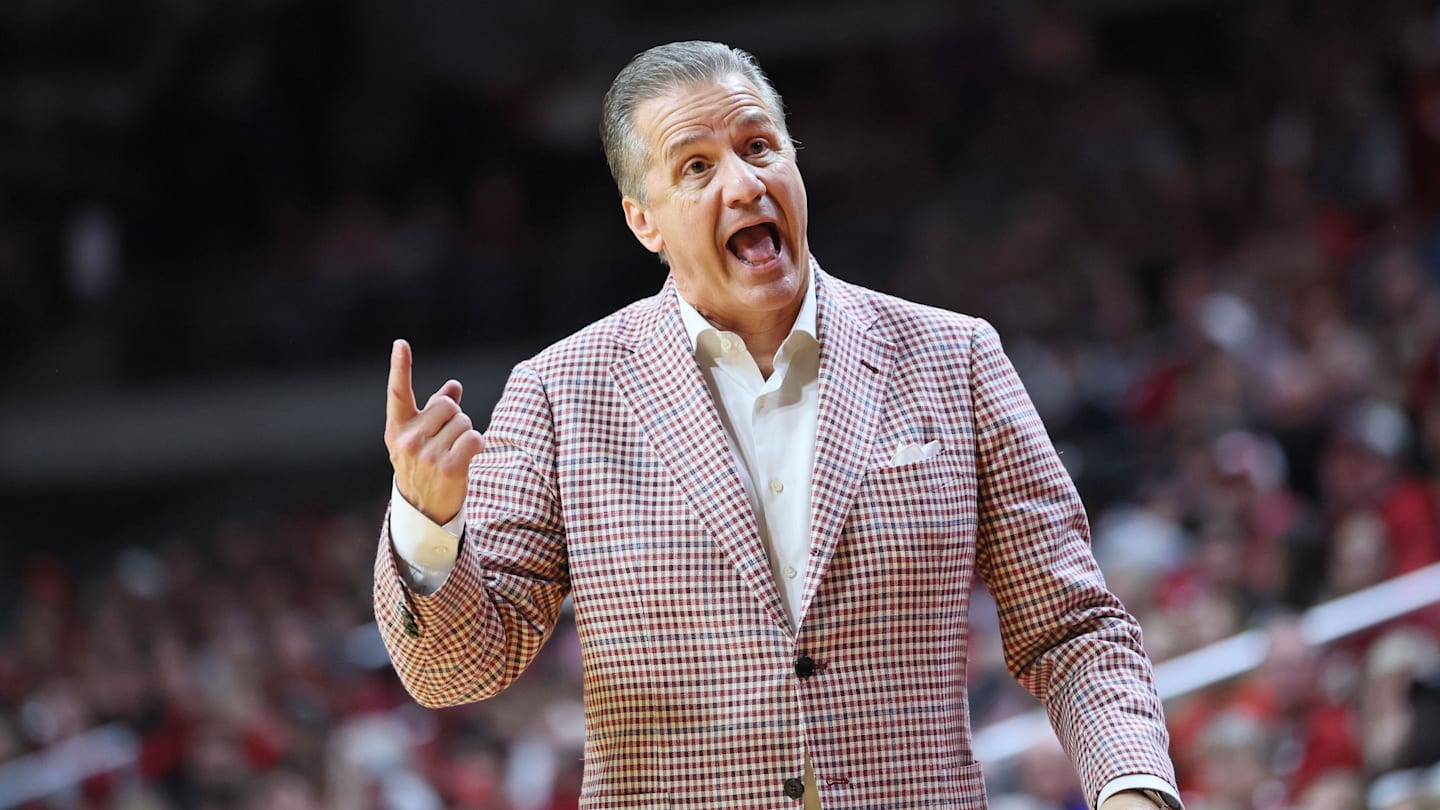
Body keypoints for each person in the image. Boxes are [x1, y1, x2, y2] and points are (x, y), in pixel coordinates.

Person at [376, 40, 1180, 810]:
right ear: (644, 221)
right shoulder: (561, 393)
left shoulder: (954, 358)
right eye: (696, 166)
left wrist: (1131, 787)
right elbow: (457, 671)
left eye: (759, 147)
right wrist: (426, 522)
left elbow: (1072, 629)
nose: (743, 183)